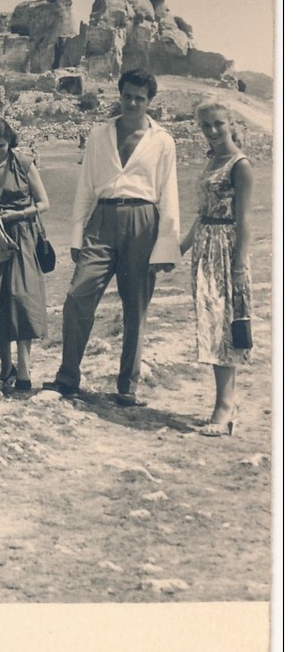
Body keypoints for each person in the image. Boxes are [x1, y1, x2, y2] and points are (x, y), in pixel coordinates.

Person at [44, 68, 180, 406]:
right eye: (127, 96)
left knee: (135, 306)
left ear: (150, 101)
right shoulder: (98, 135)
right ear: (118, 95)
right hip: (101, 220)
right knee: (77, 297)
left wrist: (166, 245)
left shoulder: (162, 140)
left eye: (140, 98)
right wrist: (77, 237)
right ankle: (67, 377)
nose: (132, 102)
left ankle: (127, 386)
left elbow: (169, 194)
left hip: (143, 220)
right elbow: (85, 188)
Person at [179, 100, 253, 436]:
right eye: (205, 125)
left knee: (223, 326)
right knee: (210, 324)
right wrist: (180, 248)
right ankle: (228, 400)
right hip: (205, 247)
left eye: (218, 124)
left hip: (226, 249)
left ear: (231, 123)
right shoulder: (211, 160)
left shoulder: (240, 165)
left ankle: (224, 406)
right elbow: (202, 213)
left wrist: (239, 265)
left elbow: (244, 220)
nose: (212, 131)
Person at [0, 118, 49, 392]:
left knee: (22, 299)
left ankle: (24, 368)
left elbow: (44, 203)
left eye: (1, 145)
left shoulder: (24, 164)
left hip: (23, 236)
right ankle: (6, 366)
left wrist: (20, 214)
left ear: (10, 142)